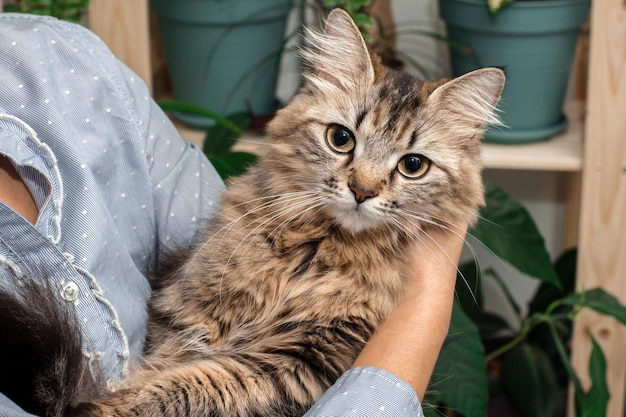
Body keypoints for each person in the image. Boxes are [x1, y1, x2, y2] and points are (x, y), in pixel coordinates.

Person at [0, 13, 465, 417]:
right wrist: (426, 299)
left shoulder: (63, 56)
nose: (364, 186)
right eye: (342, 140)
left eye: (411, 164)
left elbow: (305, 378)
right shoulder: (251, 218)